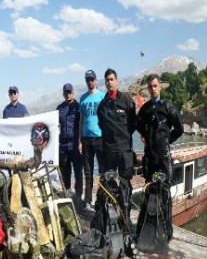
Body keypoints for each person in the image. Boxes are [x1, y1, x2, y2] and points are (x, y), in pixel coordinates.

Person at [97, 68, 137, 230]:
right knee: (109, 184)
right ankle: (111, 218)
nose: (109, 82)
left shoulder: (127, 101)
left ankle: (125, 218)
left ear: (117, 81)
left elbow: (133, 124)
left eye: (112, 79)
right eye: (107, 80)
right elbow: (101, 124)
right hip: (109, 150)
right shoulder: (102, 106)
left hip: (124, 150)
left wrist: (124, 137)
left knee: (125, 184)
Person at [137, 74, 184, 182]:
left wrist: (167, 139)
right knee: (149, 185)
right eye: (150, 86)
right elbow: (138, 125)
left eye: (155, 86)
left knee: (165, 188)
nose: (153, 89)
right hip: (149, 154)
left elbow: (180, 128)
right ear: (148, 88)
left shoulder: (168, 107)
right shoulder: (145, 109)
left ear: (160, 86)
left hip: (163, 154)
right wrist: (146, 136)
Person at [79, 70, 105, 206]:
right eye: (87, 80)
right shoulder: (82, 98)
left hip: (100, 138)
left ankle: (101, 199)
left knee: (102, 170)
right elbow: (81, 121)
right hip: (86, 139)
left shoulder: (102, 96)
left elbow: (107, 118)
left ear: (96, 80)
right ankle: (88, 200)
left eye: (92, 79)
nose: (90, 82)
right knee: (87, 172)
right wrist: (79, 141)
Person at [57, 83, 83, 200]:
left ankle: (78, 196)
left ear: (73, 92)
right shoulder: (59, 108)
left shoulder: (79, 107)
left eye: (69, 92)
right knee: (65, 171)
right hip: (63, 145)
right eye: (65, 93)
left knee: (78, 171)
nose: (68, 94)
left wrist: (81, 142)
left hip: (75, 145)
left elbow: (83, 124)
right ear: (63, 94)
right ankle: (67, 194)